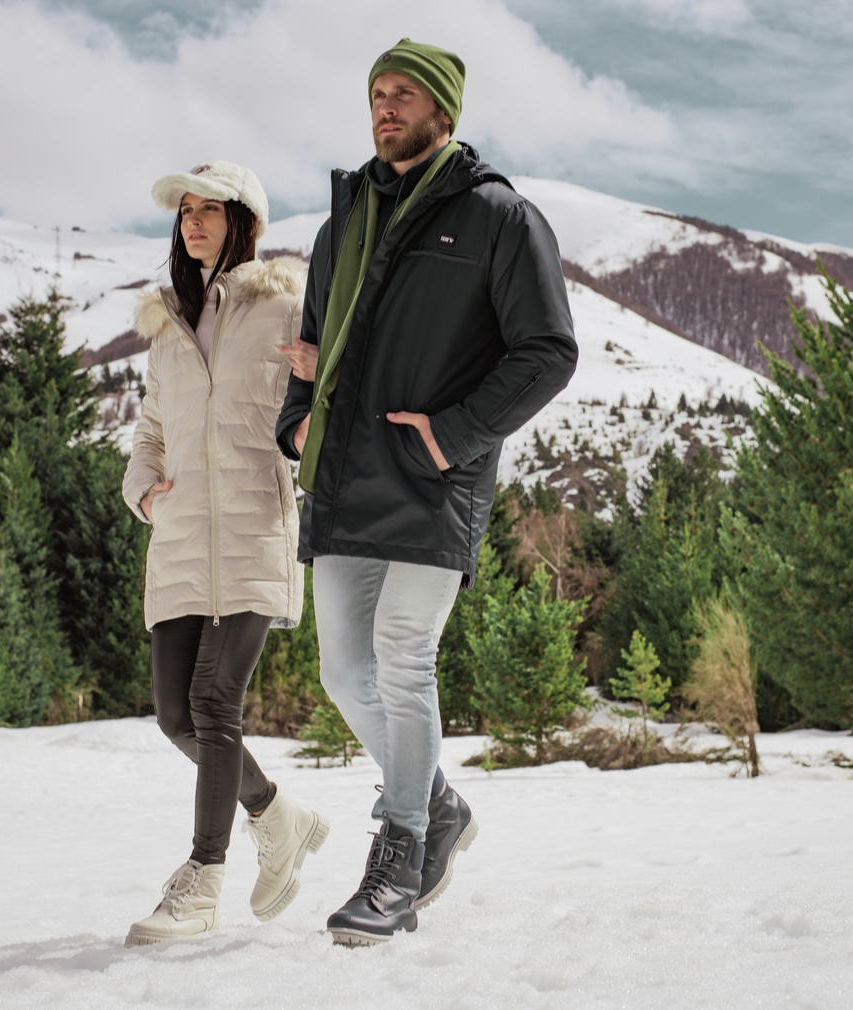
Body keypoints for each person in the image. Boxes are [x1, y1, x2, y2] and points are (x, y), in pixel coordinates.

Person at [275, 39, 577, 946]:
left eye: (405, 92)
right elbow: (310, 348)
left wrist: (453, 433)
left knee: (404, 660)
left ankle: (399, 856)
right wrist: (296, 421)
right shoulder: (341, 224)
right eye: (377, 91)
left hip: (434, 478)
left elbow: (547, 351)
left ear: (443, 110)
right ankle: (437, 805)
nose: (386, 104)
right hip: (343, 477)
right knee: (343, 673)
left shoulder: (497, 216)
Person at [121, 161, 328, 946]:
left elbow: (321, 409)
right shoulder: (167, 325)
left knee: (215, 703)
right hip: (178, 538)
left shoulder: (286, 307)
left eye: (210, 209)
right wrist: (144, 492)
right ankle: (276, 814)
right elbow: (150, 431)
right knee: (176, 715)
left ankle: (203, 880)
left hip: (252, 531)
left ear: (246, 221)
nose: (193, 221)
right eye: (185, 210)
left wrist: (322, 384)